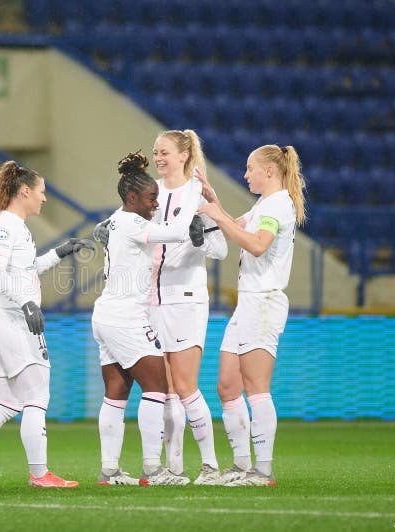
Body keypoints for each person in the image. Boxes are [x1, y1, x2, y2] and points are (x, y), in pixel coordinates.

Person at [0, 161, 91, 489]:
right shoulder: (4, 227)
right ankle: (39, 475)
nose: (44, 198)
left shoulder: (15, 226)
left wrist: (60, 252)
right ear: (25, 191)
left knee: (9, 402)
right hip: (12, 321)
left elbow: (25, 270)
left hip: (5, 320)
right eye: (41, 192)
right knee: (37, 397)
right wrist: (26, 303)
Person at [196, 144, 306, 487]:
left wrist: (217, 216)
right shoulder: (264, 204)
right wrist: (214, 202)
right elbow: (232, 225)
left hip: (263, 302)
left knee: (257, 388)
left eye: (249, 169)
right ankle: (242, 466)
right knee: (227, 386)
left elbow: (256, 244)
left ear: (269, 171)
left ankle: (264, 471)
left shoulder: (278, 205)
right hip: (247, 303)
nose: (245, 175)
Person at [92, 151, 203, 487]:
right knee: (157, 387)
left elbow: (101, 230)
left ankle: (109, 471)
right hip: (126, 317)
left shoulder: (114, 220)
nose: (155, 203)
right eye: (151, 197)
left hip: (105, 315)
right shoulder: (132, 222)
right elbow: (178, 231)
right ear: (132, 197)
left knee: (116, 390)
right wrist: (195, 189)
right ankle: (153, 470)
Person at [149, 130, 228, 485]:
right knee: (164, 389)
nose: (158, 157)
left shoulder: (198, 192)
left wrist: (201, 238)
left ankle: (210, 466)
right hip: (152, 299)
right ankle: (173, 467)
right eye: (155, 152)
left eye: (164, 151)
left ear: (183, 155)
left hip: (186, 299)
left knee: (185, 385)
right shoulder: (151, 192)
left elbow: (221, 250)